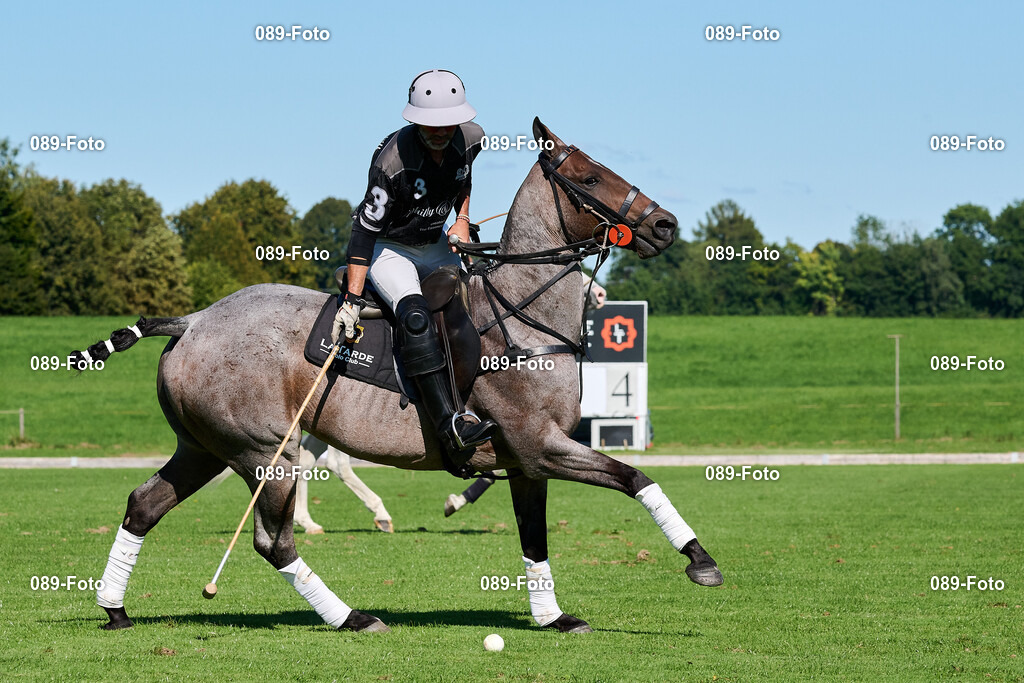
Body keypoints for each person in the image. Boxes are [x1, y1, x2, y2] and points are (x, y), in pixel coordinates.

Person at [333, 69, 497, 469]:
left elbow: (464, 182)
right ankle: (449, 425)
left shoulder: (472, 139)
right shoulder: (390, 163)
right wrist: (352, 301)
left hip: (436, 241)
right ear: (414, 119)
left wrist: (462, 219)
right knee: (418, 318)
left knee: (487, 295)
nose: (441, 132)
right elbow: (363, 233)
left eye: (448, 123)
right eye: (431, 125)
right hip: (390, 250)